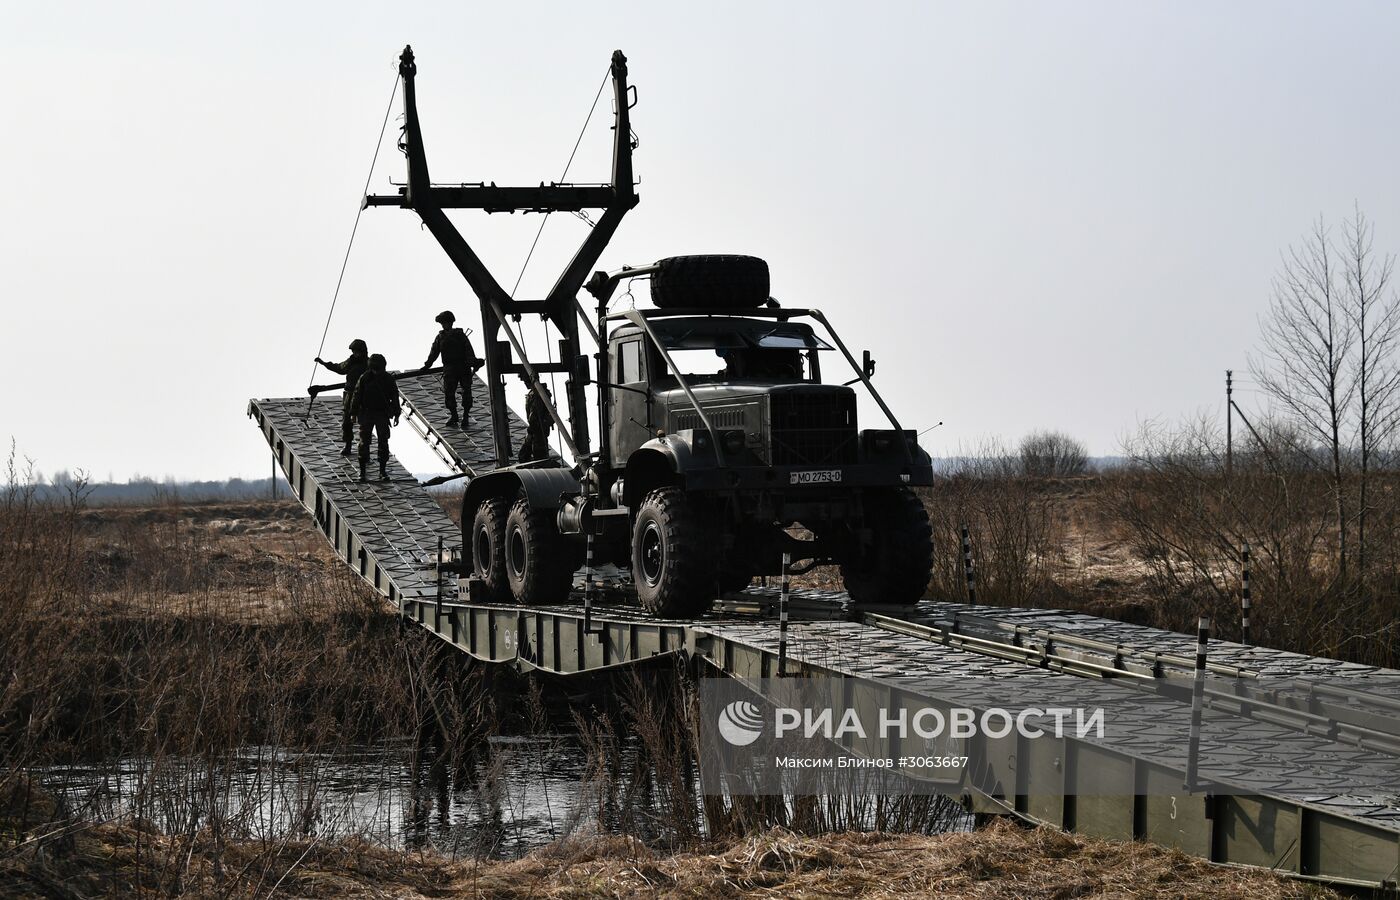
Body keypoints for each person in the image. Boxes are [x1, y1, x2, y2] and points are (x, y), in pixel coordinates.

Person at [422, 310, 480, 428]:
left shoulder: (460, 335)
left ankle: (465, 416)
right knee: (449, 394)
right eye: (443, 323)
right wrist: (427, 365)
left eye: (445, 322)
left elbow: (469, 350)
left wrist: (473, 362)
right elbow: (434, 352)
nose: (444, 325)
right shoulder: (440, 337)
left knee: (467, 392)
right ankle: (454, 415)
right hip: (450, 369)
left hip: (463, 368)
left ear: (450, 323)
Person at [349, 354, 401, 483]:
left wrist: (397, 413)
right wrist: (353, 413)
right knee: (364, 443)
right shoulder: (365, 378)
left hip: (381, 414)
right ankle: (362, 472)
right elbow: (357, 395)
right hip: (367, 413)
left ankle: (382, 471)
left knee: (383, 442)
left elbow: (394, 396)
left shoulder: (387, 379)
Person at [315, 339, 369, 456]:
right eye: (354, 351)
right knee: (346, 423)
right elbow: (340, 368)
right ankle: (348, 445)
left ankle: (365, 449)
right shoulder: (351, 362)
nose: (355, 354)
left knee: (365, 424)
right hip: (350, 395)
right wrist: (325, 364)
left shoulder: (369, 364)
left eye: (357, 351)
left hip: (364, 397)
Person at [518, 375, 554, 463]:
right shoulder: (534, 393)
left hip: (539, 431)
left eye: (525, 381)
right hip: (534, 430)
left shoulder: (539, 393)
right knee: (524, 456)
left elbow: (535, 414)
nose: (525, 384)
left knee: (539, 457)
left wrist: (533, 428)